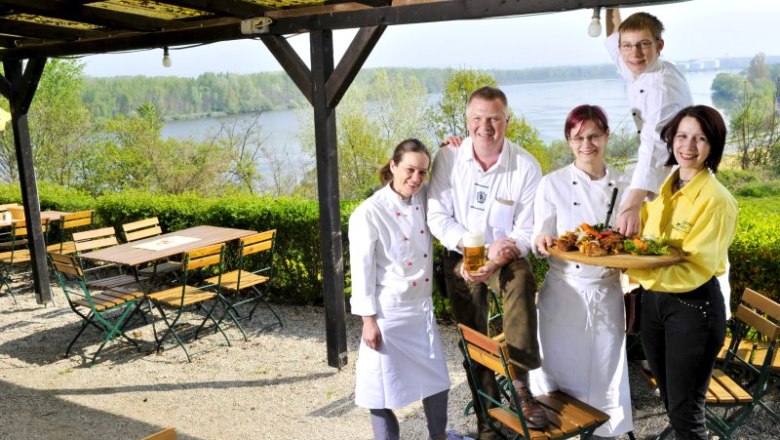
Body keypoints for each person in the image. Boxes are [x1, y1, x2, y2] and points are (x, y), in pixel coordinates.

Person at [427, 86, 547, 439]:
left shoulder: (525, 165)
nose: (485, 126)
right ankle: (489, 423)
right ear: (467, 121)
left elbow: (528, 229)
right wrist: (469, 249)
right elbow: (436, 215)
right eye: (477, 118)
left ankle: (522, 385)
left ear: (507, 121)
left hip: (505, 257)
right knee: (473, 337)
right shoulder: (448, 158)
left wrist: (498, 257)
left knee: (521, 279)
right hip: (461, 253)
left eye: (494, 118)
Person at [627, 105, 737, 440]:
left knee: (686, 412)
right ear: (671, 139)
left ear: (713, 147)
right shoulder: (666, 187)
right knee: (671, 399)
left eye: (700, 138)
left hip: (693, 309)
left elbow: (696, 263)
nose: (688, 145)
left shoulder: (718, 200)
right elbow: (645, 239)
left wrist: (637, 263)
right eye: (683, 136)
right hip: (655, 305)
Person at [349, 138, 471, 440]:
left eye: (422, 172)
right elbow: (361, 271)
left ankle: (439, 437)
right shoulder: (368, 213)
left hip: (421, 310)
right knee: (380, 392)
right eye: (409, 170)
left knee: (437, 382)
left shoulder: (424, 197)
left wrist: (450, 149)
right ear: (393, 166)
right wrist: (368, 321)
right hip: (387, 315)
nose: (416, 178)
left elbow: (450, 182)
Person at [529, 105, 633, 440]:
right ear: (568, 141)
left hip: (606, 292)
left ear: (606, 137)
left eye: (593, 136)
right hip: (562, 293)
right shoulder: (552, 183)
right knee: (556, 372)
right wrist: (542, 239)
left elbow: (632, 241)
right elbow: (539, 233)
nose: (586, 144)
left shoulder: (626, 186)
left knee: (603, 372)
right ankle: (559, 431)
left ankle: (602, 434)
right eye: (578, 138)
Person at [605, 9, 693, 238]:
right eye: (627, 46)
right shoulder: (641, 66)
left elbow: (654, 147)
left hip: (676, 174)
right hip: (656, 171)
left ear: (659, 45)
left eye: (643, 44)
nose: (634, 53)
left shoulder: (662, 88)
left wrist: (632, 205)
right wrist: (609, 7)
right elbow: (613, 40)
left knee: (669, 249)